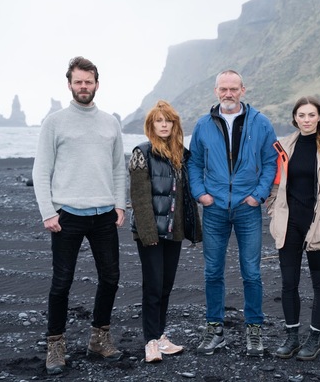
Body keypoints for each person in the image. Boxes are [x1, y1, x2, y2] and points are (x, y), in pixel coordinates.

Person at [32, 56, 127, 375]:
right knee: (61, 283)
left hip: (104, 215)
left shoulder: (111, 121)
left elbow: (118, 167)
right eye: (78, 82)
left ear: (97, 84)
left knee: (111, 278)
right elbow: (41, 169)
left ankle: (99, 338)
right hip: (66, 215)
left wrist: (120, 204)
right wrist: (48, 211)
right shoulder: (55, 122)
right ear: (70, 84)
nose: (83, 86)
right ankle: (55, 345)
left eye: (89, 81)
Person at [188, 70, 277, 357]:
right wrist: (200, 194)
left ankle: (254, 329)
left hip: (246, 208)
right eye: (223, 89)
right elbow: (194, 163)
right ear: (215, 91)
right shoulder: (203, 125)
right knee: (213, 271)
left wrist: (258, 196)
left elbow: (270, 161)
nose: (228, 94)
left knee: (251, 272)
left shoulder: (261, 123)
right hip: (214, 208)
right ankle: (215, 328)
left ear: (243, 90)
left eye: (233, 89)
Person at [266, 96, 320, 361]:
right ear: (295, 118)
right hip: (289, 224)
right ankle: (291, 338)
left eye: (312, 115)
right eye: (302, 115)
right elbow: (276, 184)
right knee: (289, 283)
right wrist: (273, 210)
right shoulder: (285, 146)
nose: (307, 120)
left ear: (319, 117)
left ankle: (313, 339)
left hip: (318, 224)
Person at [128, 100, 202, 363]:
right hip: (151, 233)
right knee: (153, 286)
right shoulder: (142, 153)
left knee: (166, 286)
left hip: (174, 232)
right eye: (158, 121)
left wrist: (187, 229)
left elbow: (183, 196)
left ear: (174, 125)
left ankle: (160, 337)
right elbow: (139, 197)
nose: (163, 125)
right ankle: (150, 342)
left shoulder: (180, 154)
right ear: (151, 125)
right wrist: (148, 235)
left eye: (167, 121)